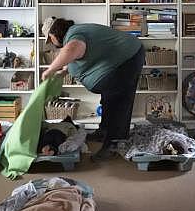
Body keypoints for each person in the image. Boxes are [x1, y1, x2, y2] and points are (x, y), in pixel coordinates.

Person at [40, 17, 144, 159]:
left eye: (50, 39)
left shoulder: (74, 36)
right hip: (125, 57)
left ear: (55, 33)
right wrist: (64, 70)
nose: (51, 43)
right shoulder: (75, 33)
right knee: (109, 93)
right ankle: (104, 131)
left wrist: (49, 70)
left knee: (118, 99)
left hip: (129, 56)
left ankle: (114, 143)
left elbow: (73, 48)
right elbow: (79, 55)